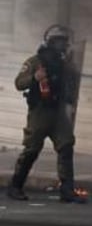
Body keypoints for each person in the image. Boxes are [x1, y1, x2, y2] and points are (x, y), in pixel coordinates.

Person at [6, 25, 86, 203]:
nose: (61, 45)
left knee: (66, 146)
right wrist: (35, 77)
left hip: (58, 113)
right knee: (32, 149)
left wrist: (71, 97)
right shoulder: (35, 62)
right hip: (40, 112)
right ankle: (15, 186)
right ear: (49, 42)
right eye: (58, 41)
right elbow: (19, 83)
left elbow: (71, 86)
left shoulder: (66, 64)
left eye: (63, 42)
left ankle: (67, 191)